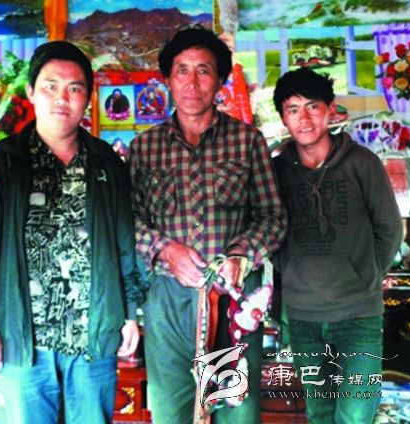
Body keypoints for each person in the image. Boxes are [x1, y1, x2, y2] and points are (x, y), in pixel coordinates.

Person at [0, 40, 143, 424]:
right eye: (50, 86)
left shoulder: (107, 163)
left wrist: (129, 313)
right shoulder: (2, 164)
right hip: (23, 341)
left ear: (87, 98)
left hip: (93, 337)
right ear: (31, 92)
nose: (62, 98)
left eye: (74, 88)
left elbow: (125, 245)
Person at [128, 26, 287, 424]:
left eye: (204, 70)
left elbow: (272, 217)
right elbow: (128, 221)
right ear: (168, 80)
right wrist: (166, 250)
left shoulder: (247, 141)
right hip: (167, 301)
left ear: (220, 81)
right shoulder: (144, 148)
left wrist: (240, 256)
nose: (192, 82)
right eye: (182, 70)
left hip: (231, 299)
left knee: (234, 412)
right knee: (172, 412)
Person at [272, 67, 403, 424]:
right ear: (283, 118)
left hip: (358, 316)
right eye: (293, 109)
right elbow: (269, 232)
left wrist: (365, 275)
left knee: (358, 414)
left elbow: (389, 229)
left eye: (313, 106)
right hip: (303, 319)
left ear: (330, 111)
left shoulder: (362, 163)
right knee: (319, 412)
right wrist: (292, 273)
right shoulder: (276, 171)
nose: (304, 118)